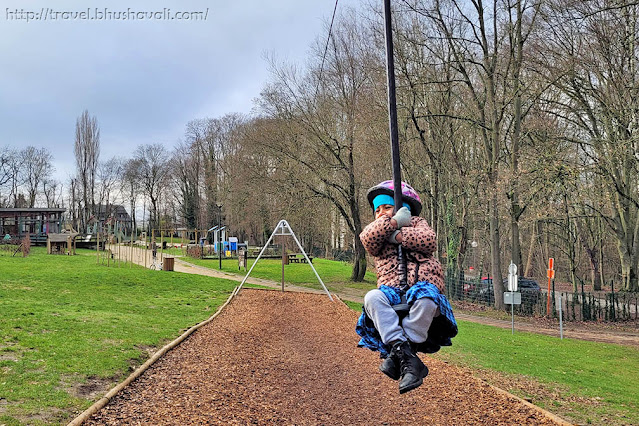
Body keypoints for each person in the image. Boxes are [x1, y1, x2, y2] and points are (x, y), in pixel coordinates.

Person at [356, 180, 458, 394]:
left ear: (403, 208)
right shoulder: (378, 230)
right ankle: (406, 354)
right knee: (372, 299)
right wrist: (392, 224)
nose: (382, 212)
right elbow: (367, 239)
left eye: (388, 207)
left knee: (427, 299)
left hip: (422, 283)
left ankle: (402, 351)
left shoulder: (417, 222)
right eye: (378, 210)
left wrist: (402, 235)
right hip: (391, 288)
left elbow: (429, 240)